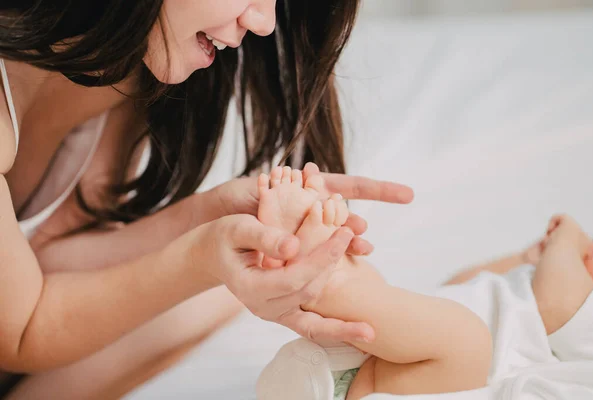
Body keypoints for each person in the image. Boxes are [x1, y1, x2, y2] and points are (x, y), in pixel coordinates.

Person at [0, 1, 416, 398]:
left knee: (220, 293)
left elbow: (48, 263)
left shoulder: (119, 70)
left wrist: (215, 213)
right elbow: (20, 333)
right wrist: (200, 256)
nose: (265, 23)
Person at [255, 167, 593, 400]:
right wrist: (524, 259)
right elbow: (462, 284)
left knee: (467, 338)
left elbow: (558, 305)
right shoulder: (525, 288)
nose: (591, 247)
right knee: (382, 293)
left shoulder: (585, 306)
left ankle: (324, 276)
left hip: (427, 377)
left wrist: (568, 238)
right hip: (368, 358)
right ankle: (325, 264)